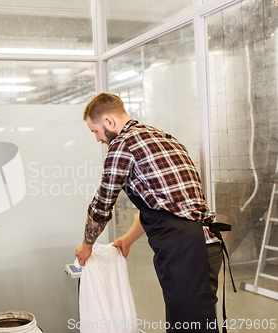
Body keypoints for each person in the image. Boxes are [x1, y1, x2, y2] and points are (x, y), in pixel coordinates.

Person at [75, 93, 223, 332]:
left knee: (188, 326)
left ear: (109, 122)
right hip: (208, 245)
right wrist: (127, 239)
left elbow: (102, 205)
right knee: (199, 322)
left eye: (96, 131)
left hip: (183, 249)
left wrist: (87, 244)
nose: (97, 139)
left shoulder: (122, 146)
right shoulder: (165, 138)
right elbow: (160, 206)